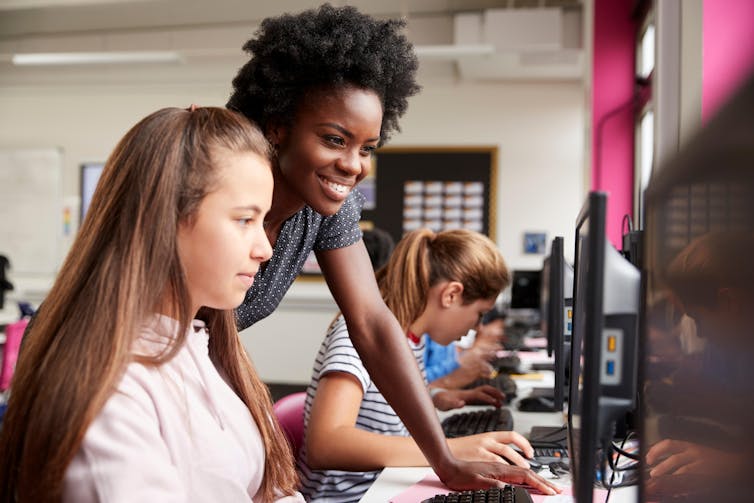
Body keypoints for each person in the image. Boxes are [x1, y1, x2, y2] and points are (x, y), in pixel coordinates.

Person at [226, 3, 550, 490]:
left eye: (367, 147)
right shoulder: (221, 193)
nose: (355, 165)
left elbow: (375, 324)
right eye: (335, 139)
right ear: (276, 125)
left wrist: (444, 458)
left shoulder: (326, 209)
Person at [0, 107, 303, 502]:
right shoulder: (109, 395)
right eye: (245, 220)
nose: (265, 249)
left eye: (263, 222)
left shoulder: (208, 352)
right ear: (166, 220)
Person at [297, 229, 560, 501]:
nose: (478, 326)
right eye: (479, 313)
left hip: (387, 487)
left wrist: (436, 395)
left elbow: (381, 403)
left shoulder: (412, 339)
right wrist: (449, 450)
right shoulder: (357, 339)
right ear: (451, 295)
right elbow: (325, 444)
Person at [425, 308, 506, 390]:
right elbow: (420, 382)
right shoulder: (431, 333)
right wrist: (460, 362)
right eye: (479, 314)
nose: (479, 327)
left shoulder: (444, 335)